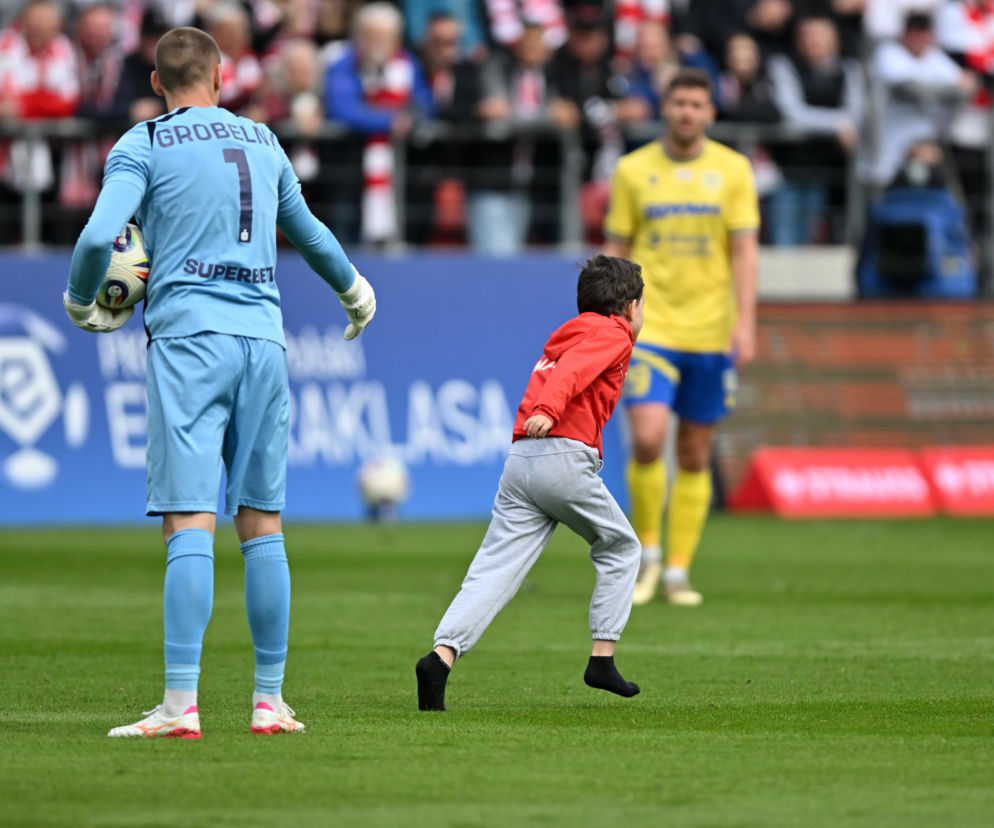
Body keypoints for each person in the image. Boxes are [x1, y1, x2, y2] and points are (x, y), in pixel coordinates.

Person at [63, 26, 376, 739]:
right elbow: (310, 232)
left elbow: (92, 241)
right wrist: (356, 293)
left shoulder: (142, 144)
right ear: (222, 73)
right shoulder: (265, 142)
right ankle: (270, 701)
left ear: (155, 82)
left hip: (190, 343)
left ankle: (181, 705)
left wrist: (81, 300)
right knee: (262, 524)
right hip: (264, 343)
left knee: (188, 519)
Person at [416, 255, 645, 712]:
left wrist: (540, 413)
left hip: (521, 461)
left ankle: (440, 658)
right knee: (622, 548)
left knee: (495, 569)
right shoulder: (612, 331)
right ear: (630, 307)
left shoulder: (565, 336)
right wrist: (551, 409)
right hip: (562, 455)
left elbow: (564, 366)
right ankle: (602, 657)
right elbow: (573, 373)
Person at [603, 68, 759, 607]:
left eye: (697, 103)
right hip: (651, 327)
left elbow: (743, 251)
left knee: (694, 452)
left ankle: (678, 570)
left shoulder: (734, 170)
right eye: (679, 103)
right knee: (648, 438)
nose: (688, 112)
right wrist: (610, 320)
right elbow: (616, 249)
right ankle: (646, 555)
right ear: (664, 109)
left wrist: (746, 323)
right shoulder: (632, 170)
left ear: (711, 112)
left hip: (712, 330)